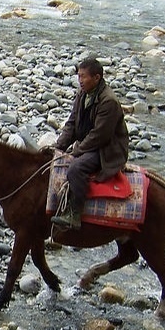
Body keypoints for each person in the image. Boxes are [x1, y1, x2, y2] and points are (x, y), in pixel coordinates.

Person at [51, 57, 129, 229]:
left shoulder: (108, 101)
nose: (80, 80)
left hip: (107, 150)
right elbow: (71, 123)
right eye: (79, 76)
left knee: (76, 169)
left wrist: (77, 150)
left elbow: (100, 135)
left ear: (97, 78)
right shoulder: (82, 94)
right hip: (90, 143)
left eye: (83, 76)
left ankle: (74, 214)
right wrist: (58, 146)